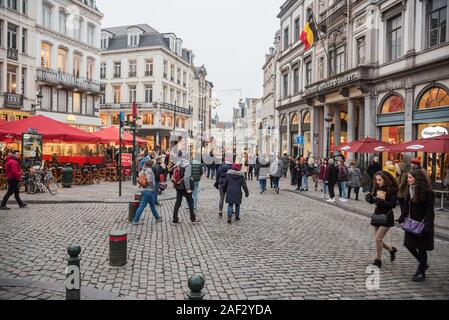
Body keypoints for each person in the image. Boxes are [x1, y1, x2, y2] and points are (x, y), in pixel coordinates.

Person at [398, 170, 435, 282]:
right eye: (408, 177)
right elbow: (406, 205)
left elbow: (430, 210)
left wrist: (428, 225)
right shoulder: (410, 189)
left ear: (417, 179)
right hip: (411, 223)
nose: (408, 179)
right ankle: (423, 264)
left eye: (410, 177)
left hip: (423, 224)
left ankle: (421, 272)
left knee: (422, 249)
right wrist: (402, 216)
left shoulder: (428, 192)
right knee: (408, 244)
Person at [365, 171, 398, 268]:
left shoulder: (393, 189)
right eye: (377, 180)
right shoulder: (377, 187)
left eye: (380, 180)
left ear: (385, 179)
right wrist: (371, 199)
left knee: (378, 238)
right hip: (377, 214)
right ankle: (391, 250)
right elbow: (375, 201)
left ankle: (378, 259)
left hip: (387, 215)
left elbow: (393, 205)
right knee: (378, 239)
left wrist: (382, 201)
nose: (378, 182)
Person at [132, 160, 162, 225]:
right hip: (148, 190)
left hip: (145, 189)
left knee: (152, 205)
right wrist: (153, 188)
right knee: (142, 205)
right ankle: (135, 220)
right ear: (151, 164)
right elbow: (150, 180)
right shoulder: (149, 170)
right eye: (153, 164)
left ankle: (157, 217)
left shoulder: (143, 169)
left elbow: (140, 176)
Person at [172, 159, 200, 224]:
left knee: (177, 203)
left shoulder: (178, 164)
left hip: (178, 186)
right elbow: (186, 178)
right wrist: (188, 189)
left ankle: (175, 219)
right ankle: (193, 219)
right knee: (191, 202)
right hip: (184, 187)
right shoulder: (188, 165)